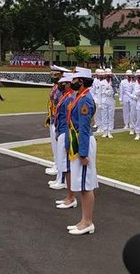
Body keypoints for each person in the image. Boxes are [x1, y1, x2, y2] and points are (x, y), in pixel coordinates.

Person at [66, 67, 98, 235]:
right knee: (82, 183)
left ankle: (88, 222)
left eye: (74, 79)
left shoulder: (84, 99)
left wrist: (83, 153)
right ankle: (84, 219)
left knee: (86, 184)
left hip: (83, 142)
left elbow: (85, 128)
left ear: (82, 81)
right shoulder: (80, 97)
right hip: (79, 141)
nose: (72, 82)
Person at [53, 73, 76, 208]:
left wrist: (67, 137)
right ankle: (69, 196)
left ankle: (71, 197)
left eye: (64, 83)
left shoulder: (69, 98)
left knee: (67, 166)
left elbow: (69, 119)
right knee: (64, 166)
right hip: (61, 131)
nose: (61, 85)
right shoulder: (65, 96)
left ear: (68, 84)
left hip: (65, 132)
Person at [45, 65, 70, 181]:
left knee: (59, 147)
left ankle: (58, 167)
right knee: (55, 146)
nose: (53, 77)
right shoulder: (56, 87)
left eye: (55, 74)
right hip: (53, 117)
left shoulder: (61, 90)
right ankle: (56, 163)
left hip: (58, 120)